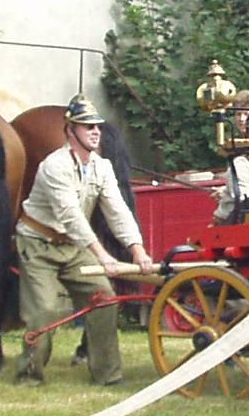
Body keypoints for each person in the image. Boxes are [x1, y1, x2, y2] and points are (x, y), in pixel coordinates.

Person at [15, 94, 154, 386]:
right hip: (38, 244)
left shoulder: (102, 167)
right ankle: (29, 375)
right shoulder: (54, 166)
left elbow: (118, 211)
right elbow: (71, 218)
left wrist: (138, 251)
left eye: (97, 127)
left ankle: (108, 375)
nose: (95, 132)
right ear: (70, 131)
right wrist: (104, 257)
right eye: (87, 126)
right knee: (43, 311)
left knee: (104, 300)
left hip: (73, 247)